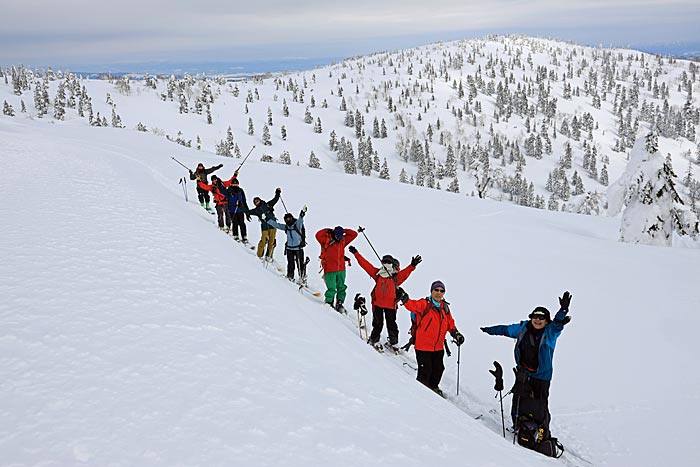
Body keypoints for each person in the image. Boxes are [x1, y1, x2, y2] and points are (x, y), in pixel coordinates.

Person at [480, 291, 572, 439]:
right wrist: (489, 330)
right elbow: (505, 329)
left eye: (541, 318)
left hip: (542, 376)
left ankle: (542, 431)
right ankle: (518, 425)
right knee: (519, 398)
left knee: (540, 404)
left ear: (546, 321)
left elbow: (557, 324)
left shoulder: (550, 332)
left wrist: (562, 311)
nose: (538, 320)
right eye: (535, 317)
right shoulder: (523, 328)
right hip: (523, 372)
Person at [396, 281, 464, 397]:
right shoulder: (424, 304)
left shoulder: (445, 307)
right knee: (425, 370)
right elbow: (412, 305)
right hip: (423, 346)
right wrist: (405, 298)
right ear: (431, 291)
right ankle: (421, 394)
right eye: (436, 290)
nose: (439, 293)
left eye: (441, 291)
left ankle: (433, 388)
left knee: (439, 369)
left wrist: (456, 333)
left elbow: (450, 323)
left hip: (438, 347)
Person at [348, 245, 421, 351]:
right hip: (379, 304)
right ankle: (378, 340)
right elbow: (365, 264)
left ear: (392, 264)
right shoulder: (378, 274)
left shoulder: (394, 277)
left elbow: (405, 274)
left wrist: (412, 266)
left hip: (389, 305)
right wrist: (356, 253)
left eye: (388, 262)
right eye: (384, 261)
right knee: (380, 323)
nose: (386, 263)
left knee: (388, 324)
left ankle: (391, 342)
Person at [315, 226, 358, 312]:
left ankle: (340, 303)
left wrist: (344, 230)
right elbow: (318, 235)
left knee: (341, 287)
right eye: (338, 236)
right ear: (334, 234)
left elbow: (354, 234)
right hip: (330, 269)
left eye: (341, 236)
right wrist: (328, 230)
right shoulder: (326, 241)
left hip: (341, 269)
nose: (339, 238)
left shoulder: (343, 240)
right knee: (331, 288)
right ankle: (329, 302)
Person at [265, 206, 307, 282]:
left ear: (292, 218)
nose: (288, 220)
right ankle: (290, 276)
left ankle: (302, 277)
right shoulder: (286, 227)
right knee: (290, 264)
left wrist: (302, 213)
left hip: (298, 248)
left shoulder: (297, 225)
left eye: (289, 218)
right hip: (289, 249)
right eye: (286, 219)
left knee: (300, 264)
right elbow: (277, 225)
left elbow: (301, 219)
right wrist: (267, 220)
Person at [245, 188, 281, 260]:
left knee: (271, 241)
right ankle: (259, 255)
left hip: (273, 225)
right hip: (264, 227)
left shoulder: (267, 205)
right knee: (263, 241)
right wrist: (241, 206)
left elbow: (275, 199)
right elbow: (248, 212)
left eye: (257, 201)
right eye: (255, 202)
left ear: (260, 200)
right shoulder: (256, 210)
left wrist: (278, 192)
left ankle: (268, 255)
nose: (256, 202)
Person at [226, 177, 250, 242]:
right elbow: (226, 199)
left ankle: (244, 236)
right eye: (234, 184)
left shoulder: (240, 190)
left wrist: (247, 212)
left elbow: (244, 201)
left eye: (236, 184)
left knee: (242, 223)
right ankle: (235, 235)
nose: (235, 185)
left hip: (240, 209)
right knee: (235, 222)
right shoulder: (229, 191)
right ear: (231, 184)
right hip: (232, 210)